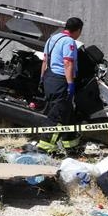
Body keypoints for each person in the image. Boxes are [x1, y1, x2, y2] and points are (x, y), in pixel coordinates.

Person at [38, 17, 84, 152]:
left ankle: (71, 146)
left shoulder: (52, 38)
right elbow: (68, 63)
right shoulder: (69, 41)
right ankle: (44, 148)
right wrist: (70, 84)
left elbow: (45, 60)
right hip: (60, 80)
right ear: (78, 30)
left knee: (68, 113)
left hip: (49, 78)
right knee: (57, 115)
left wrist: (42, 79)